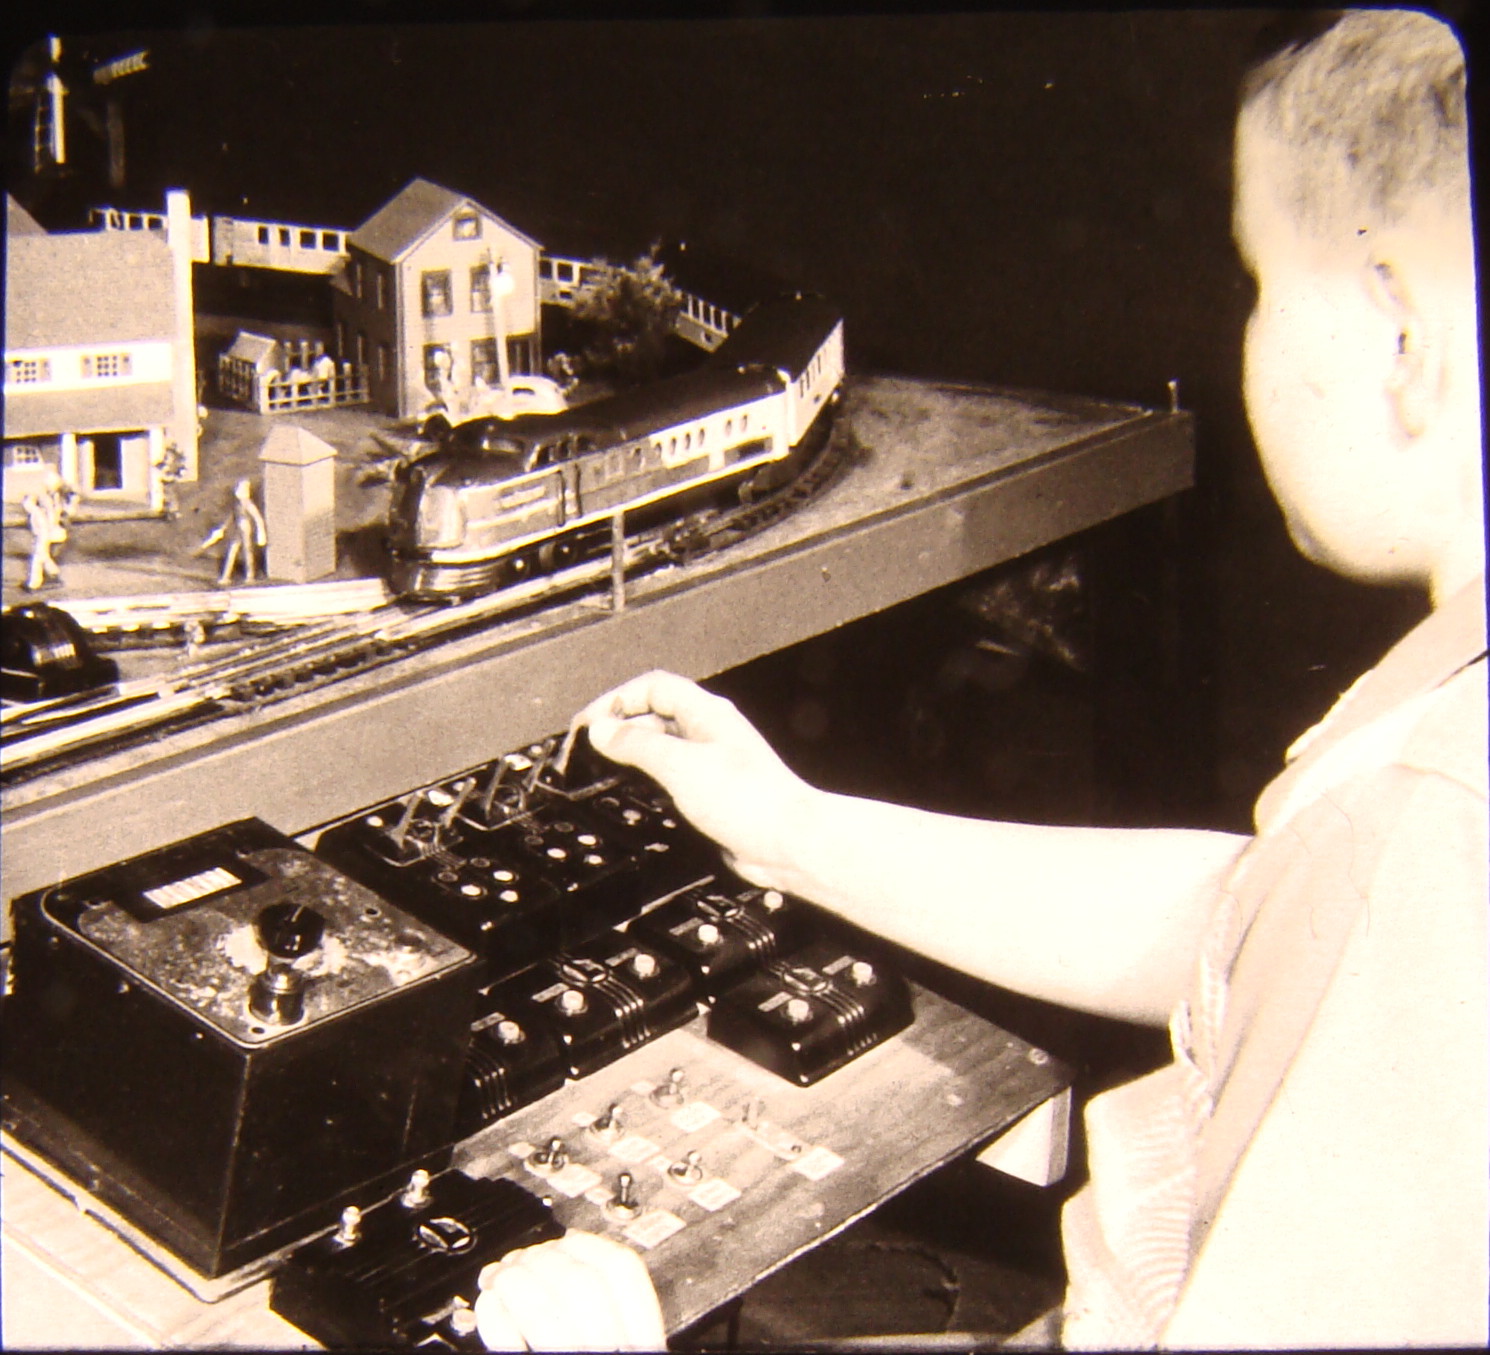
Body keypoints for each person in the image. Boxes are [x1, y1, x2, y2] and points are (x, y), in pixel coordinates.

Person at [473, 11, 1485, 1350]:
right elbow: (1249, 920)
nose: (1243, 329)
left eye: (1256, 280)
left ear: (1400, 332)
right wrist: (791, 827)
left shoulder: (1422, 821)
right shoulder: (1424, 759)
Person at [196, 478, 268, 586]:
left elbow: (257, 518)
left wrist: (261, 532)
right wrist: (223, 528)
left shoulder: (248, 504)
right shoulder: (237, 504)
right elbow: (231, 517)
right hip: (238, 527)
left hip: (245, 527)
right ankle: (226, 576)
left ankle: (250, 575)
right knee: (232, 550)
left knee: (247, 551)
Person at [20, 469, 79, 592]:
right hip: (42, 527)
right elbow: (28, 504)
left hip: (53, 529)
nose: (53, 489)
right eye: (52, 487)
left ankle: (51, 573)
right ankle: (35, 583)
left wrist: (72, 502)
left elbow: (66, 511)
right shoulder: (39, 494)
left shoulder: (58, 496)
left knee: (41, 554)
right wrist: (38, 511)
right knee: (39, 554)